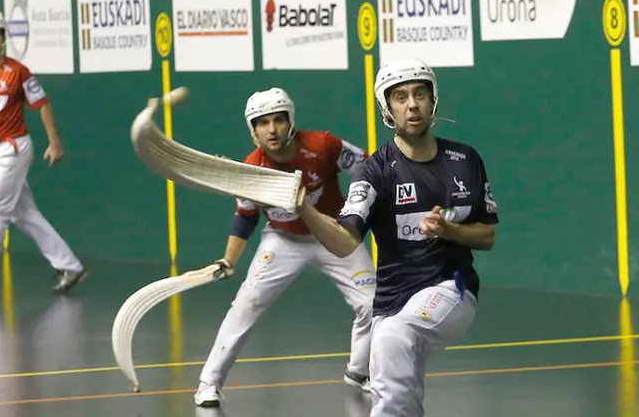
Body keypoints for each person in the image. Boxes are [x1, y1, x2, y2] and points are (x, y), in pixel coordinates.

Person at [295, 58, 499, 416]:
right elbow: (345, 241)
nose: (412, 105)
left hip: (452, 287)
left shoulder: (465, 159)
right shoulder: (372, 171)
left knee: (393, 337)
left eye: (420, 94)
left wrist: (450, 231)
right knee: (395, 362)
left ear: (433, 100)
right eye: (400, 97)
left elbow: (487, 236)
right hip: (392, 301)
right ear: (387, 109)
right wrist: (306, 209)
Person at [193, 87, 377, 407]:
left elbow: (368, 168)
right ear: (254, 130)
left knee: (373, 302)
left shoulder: (323, 144)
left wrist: (357, 216)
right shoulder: (251, 169)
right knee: (245, 305)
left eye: (278, 120)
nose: (273, 129)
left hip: (334, 234)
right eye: (263, 123)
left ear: (291, 121)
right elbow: (245, 218)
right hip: (283, 241)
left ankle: (360, 371)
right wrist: (228, 259)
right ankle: (208, 382)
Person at [0, 11, 87, 300]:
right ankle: (70, 266)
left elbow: (42, 104)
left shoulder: (18, 72)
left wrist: (55, 142)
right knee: (25, 214)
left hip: (13, 150)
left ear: (4, 39)